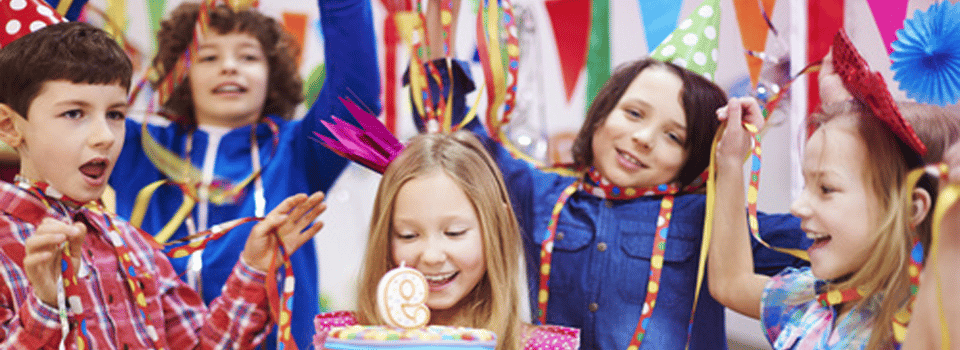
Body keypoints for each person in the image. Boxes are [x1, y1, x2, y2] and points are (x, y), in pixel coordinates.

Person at [0, 21, 327, 348]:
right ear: (9, 126)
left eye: (115, 114)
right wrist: (45, 306)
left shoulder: (134, 246)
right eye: (74, 113)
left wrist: (255, 269)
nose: (104, 137)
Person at [108, 0, 380, 347]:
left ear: (273, 72)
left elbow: (356, 101)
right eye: (208, 57)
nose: (229, 67)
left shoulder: (298, 151)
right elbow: (39, 77)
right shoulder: (137, 147)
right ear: (182, 71)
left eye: (248, 57)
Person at [708, 31, 960, 350]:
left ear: (912, 209)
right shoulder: (812, 303)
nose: (798, 206)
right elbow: (732, 283)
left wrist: (951, 237)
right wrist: (730, 161)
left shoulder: (921, 325)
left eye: (826, 188)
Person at [314, 131, 579, 350]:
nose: (431, 255)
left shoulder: (542, 347)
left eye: (454, 232)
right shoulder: (345, 340)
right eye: (408, 235)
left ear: (498, 227)